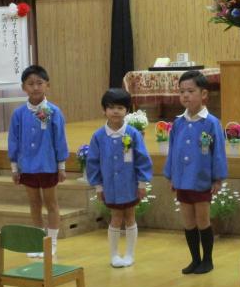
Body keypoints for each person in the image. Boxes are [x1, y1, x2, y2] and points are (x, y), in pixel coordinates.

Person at [163, 70, 228, 275]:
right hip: (182, 180)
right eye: (182, 91)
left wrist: (217, 179)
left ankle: (207, 260)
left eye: (190, 91)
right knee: (188, 222)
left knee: (202, 220)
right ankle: (195, 259)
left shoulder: (211, 123)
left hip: (201, 180)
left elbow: (218, 153)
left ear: (203, 94)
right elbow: (172, 151)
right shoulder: (178, 123)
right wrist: (171, 176)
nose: (185, 95)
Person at [86, 88, 152, 268]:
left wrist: (142, 183)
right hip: (110, 186)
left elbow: (142, 159)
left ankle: (130, 254)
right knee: (115, 218)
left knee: (130, 216)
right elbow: (92, 162)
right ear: (104, 110)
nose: (115, 111)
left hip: (130, 185)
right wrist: (98, 186)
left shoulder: (133, 134)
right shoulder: (98, 136)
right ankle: (114, 255)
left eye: (120, 108)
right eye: (111, 107)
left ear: (127, 111)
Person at [8, 65, 69, 258]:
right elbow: (13, 140)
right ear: (23, 87)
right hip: (27, 167)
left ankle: (51, 243)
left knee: (51, 203)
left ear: (47, 85)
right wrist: (14, 167)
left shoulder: (54, 112)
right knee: (34, 203)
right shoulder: (18, 114)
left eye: (39, 83)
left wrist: (61, 166)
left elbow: (60, 139)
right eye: (30, 84)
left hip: (48, 165)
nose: (35, 87)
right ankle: (37, 242)